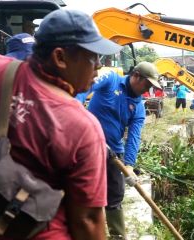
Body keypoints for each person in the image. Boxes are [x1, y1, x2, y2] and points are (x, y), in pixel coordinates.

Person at [0, 9, 122, 240]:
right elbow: (87, 221)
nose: (98, 65)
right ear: (60, 58)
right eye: (92, 56)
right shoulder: (82, 127)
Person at [76, 61, 161, 239]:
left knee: (115, 197)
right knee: (85, 193)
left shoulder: (138, 107)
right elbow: (86, 86)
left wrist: (129, 164)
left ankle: (118, 236)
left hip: (113, 152)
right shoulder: (111, 78)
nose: (147, 90)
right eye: (147, 84)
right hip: (88, 145)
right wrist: (75, 107)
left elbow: (133, 137)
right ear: (136, 76)